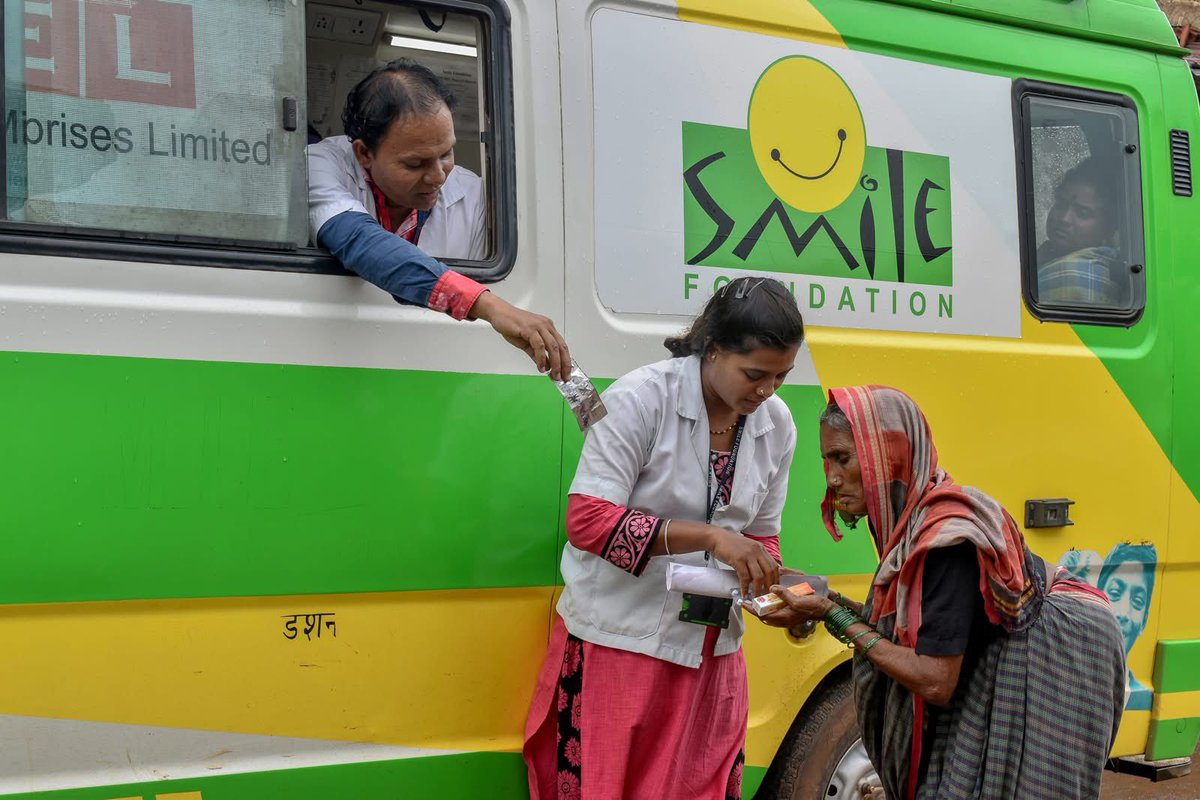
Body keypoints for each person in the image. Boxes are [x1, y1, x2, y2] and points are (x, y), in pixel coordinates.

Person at [761, 386, 1126, 800]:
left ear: (889, 454)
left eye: (843, 458)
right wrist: (830, 603)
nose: (831, 477)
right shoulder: (912, 521)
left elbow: (934, 681)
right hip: (1004, 654)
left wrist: (831, 612)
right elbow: (925, 631)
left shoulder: (943, 542)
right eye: (826, 460)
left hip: (1056, 659)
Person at [523, 277, 804, 800]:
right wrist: (713, 538)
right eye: (755, 374)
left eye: (781, 376)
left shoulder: (778, 425)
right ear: (714, 349)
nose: (766, 390)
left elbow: (763, 543)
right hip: (621, 643)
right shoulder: (639, 399)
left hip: (712, 656)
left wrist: (775, 598)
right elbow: (587, 520)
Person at [307, 58, 570, 380]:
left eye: (446, 154)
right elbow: (359, 240)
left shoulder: (472, 195)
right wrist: (489, 306)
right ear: (364, 153)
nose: (437, 177)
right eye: (415, 164)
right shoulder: (320, 165)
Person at [1036, 157, 1124, 307]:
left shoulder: (1075, 278)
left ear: (1108, 229)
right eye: (1061, 204)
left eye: (1082, 213)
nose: (1064, 219)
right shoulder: (1046, 255)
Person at [1097, 542, 1157, 710]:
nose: (1123, 613)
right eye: (1115, 593)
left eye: (1137, 601)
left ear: (1144, 620)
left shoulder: (1142, 698)